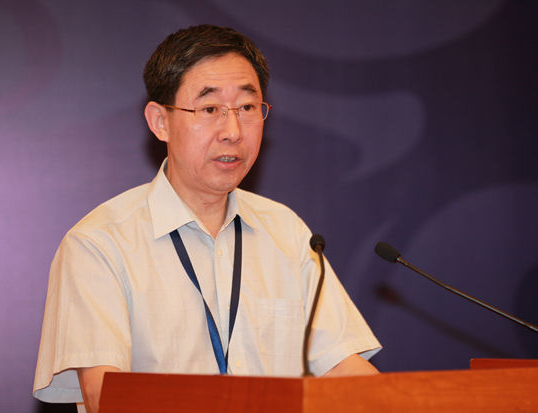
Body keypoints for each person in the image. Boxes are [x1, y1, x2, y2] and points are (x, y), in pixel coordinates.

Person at [33, 24, 381, 413]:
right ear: (160, 121)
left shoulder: (286, 231)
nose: (233, 131)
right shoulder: (99, 243)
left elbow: (342, 368)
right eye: (210, 109)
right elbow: (104, 395)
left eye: (247, 108)